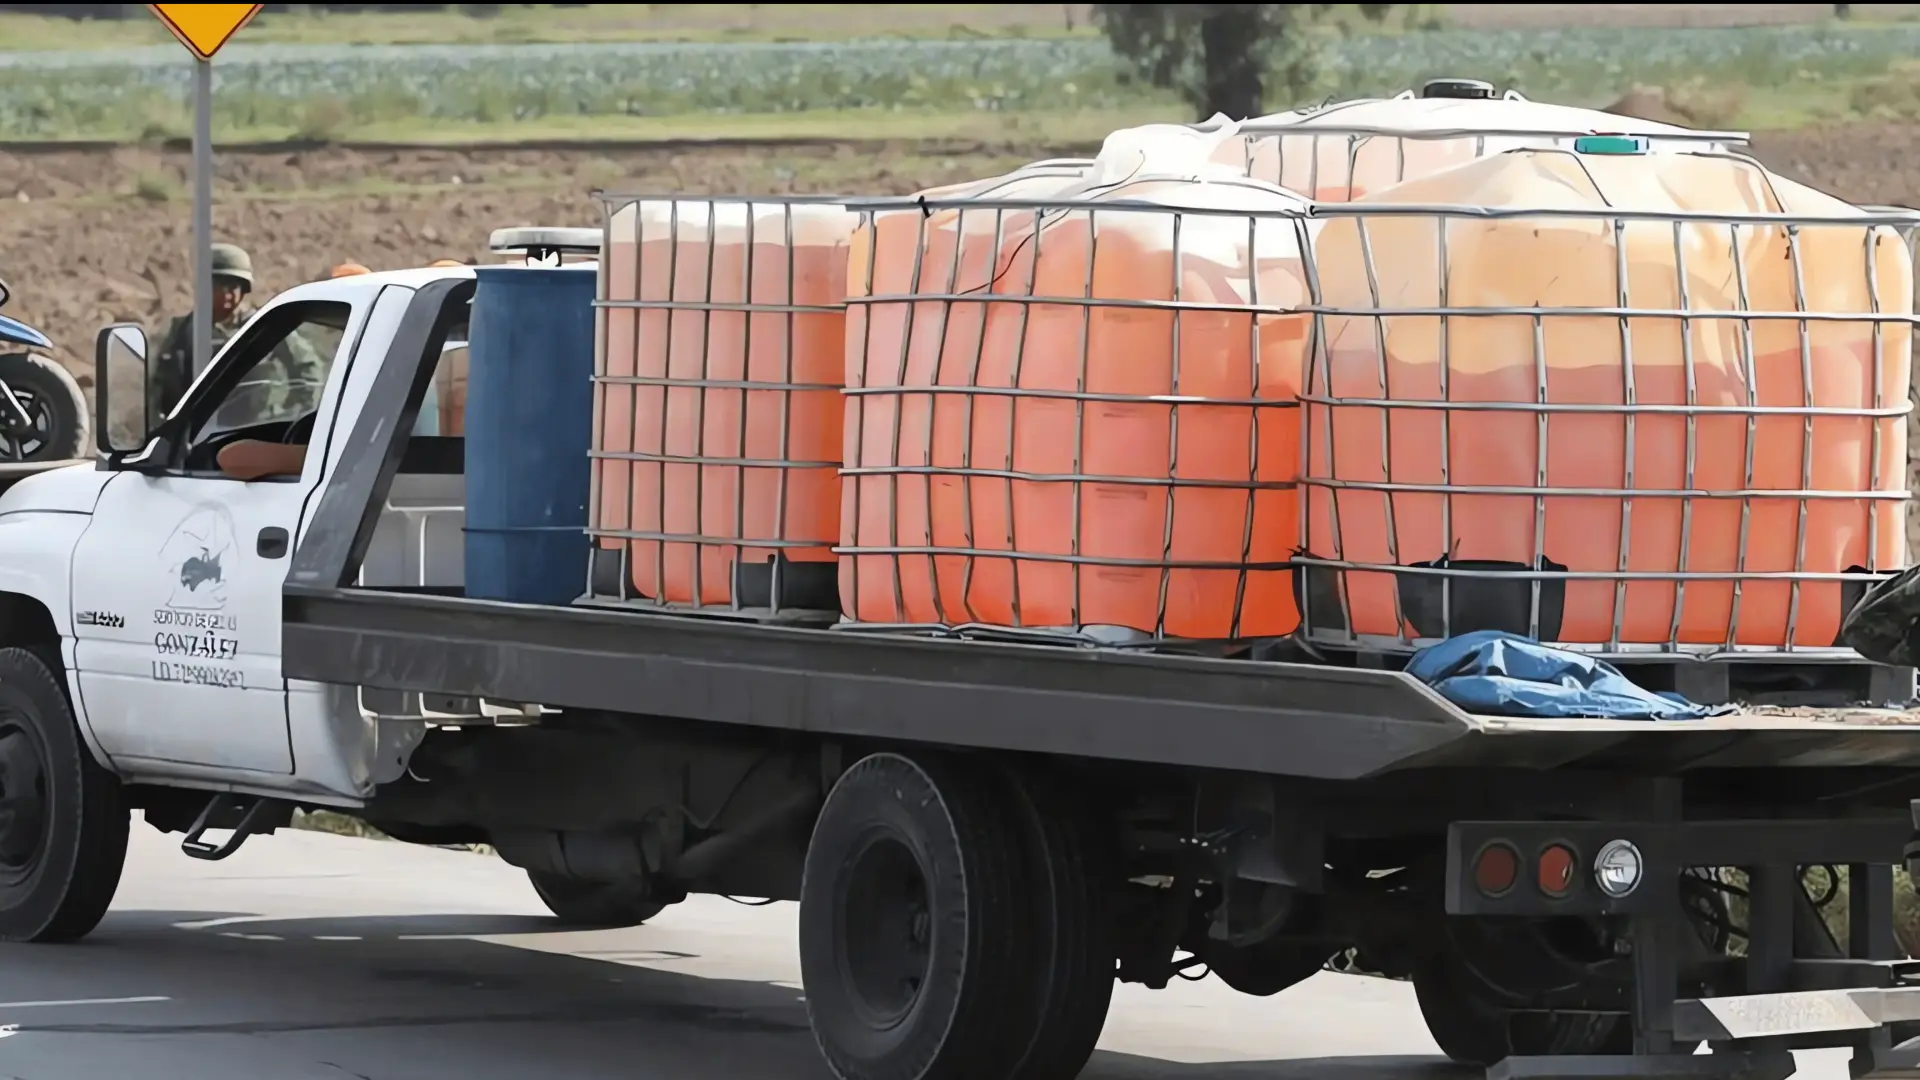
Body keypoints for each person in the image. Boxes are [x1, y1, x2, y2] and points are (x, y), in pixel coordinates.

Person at [149, 242, 327, 432]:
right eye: (220, 285)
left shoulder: (263, 327)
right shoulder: (182, 331)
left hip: (251, 433)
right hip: (193, 434)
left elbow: (308, 368)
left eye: (234, 285)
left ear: (244, 289)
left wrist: (290, 415)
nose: (228, 293)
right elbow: (157, 387)